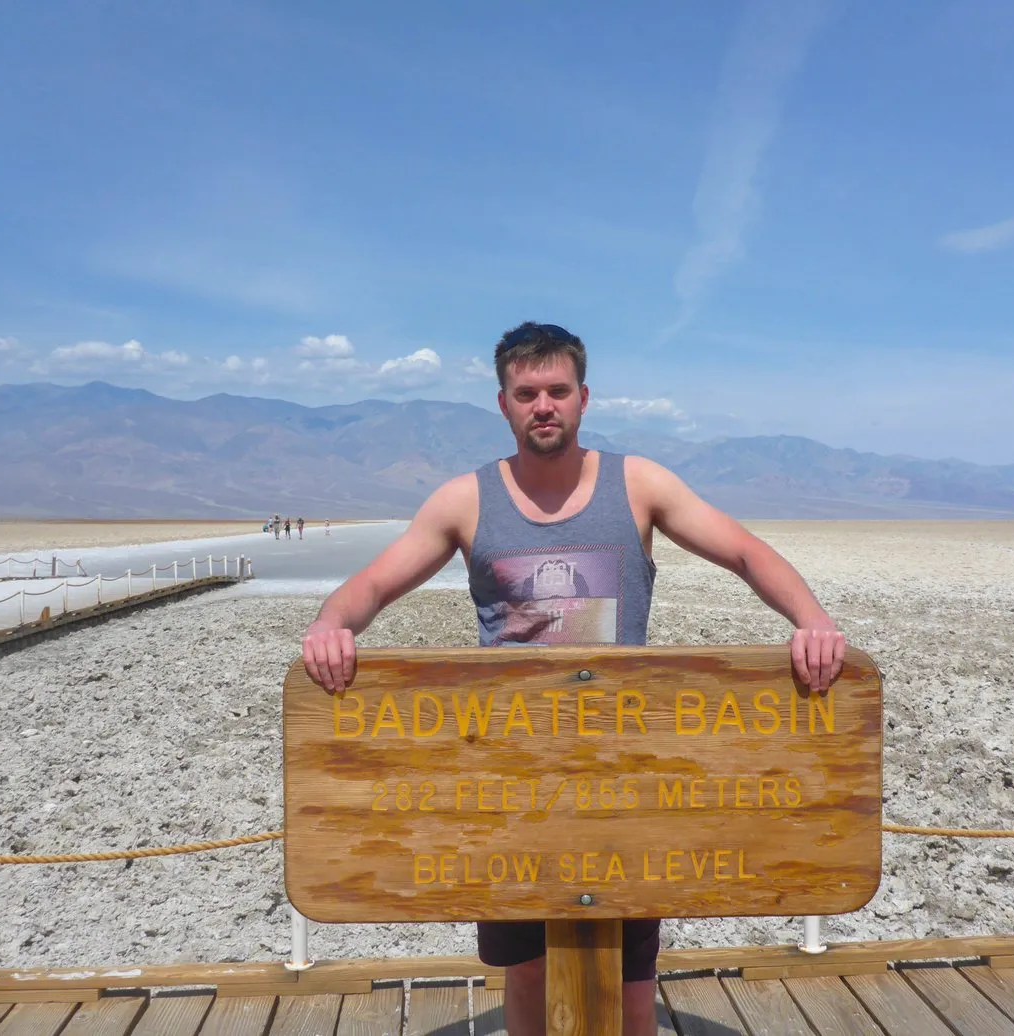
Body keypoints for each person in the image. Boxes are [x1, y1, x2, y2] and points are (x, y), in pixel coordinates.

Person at [302, 321, 845, 1036]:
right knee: (525, 977)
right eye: (526, 393)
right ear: (503, 404)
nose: (544, 405)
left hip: (627, 778)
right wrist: (332, 623)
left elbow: (743, 551)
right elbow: (373, 584)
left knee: (630, 985)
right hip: (507, 784)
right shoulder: (464, 501)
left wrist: (812, 620)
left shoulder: (639, 486)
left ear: (584, 398)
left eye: (557, 390)